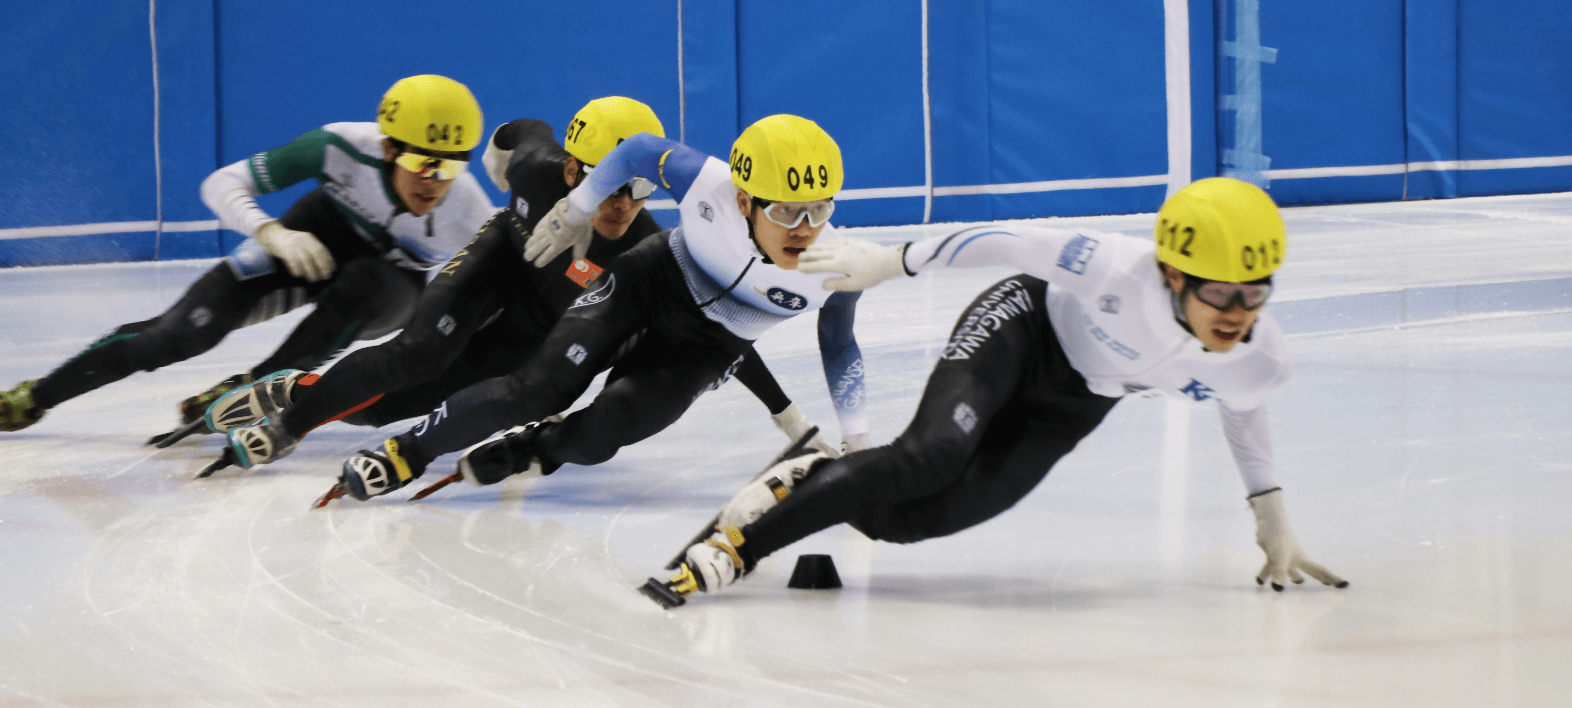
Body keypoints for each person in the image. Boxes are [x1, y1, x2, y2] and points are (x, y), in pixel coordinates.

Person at [642, 177, 1348, 608]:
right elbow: (1002, 241)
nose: (1238, 313)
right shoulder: (1113, 267)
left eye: (1255, 294)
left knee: (907, 521)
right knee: (932, 455)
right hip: (1022, 326)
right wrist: (891, 262)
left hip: (1075, 403)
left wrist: (1270, 511)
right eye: (1220, 292)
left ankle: (811, 476)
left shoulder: (1260, 354)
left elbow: (1243, 398)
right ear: (1173, 276)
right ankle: (733, 552)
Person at [209, 98, 835, 475]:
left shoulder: (646, 246)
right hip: (495, 266)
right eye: (608, 182)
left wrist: (784, 410)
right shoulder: (538, 171)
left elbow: (722, 326)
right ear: (571, 169)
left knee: (401, 402)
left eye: (640, 188)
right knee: (417, 353)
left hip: (535, 326)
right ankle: (290, 425)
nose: (623, 201)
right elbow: (513, 133)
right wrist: (500, 186)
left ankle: (302, 388)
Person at [0, 75, 494, 434]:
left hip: (385, 288)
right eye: (420, 161)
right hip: (307, 241)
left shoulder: (468, 211)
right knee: (176, 334)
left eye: (451, 166)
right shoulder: (336, 146)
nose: (434, 181)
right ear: (387, 149)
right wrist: (269, 232)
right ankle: (35, 397)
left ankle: (256, 386)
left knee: (370, 283)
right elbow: (223, 183)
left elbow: (505, 294)